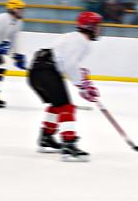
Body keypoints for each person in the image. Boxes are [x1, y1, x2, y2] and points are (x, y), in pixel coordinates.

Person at [27, 11, 102, 162]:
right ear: (89, 26)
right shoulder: (82, 40)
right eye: (97, 26)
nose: (99, 29)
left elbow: (65, 62)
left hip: (36, 72)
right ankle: (69, 145)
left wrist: (83, 81)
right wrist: (82, 86)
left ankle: (46, 138)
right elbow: (70, 64)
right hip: (47, 71)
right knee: (67, 107)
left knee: (57, 105)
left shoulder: (71, 36)